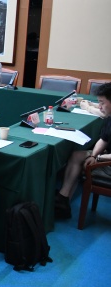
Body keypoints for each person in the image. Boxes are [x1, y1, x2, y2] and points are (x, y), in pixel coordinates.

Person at [56, 82, 111, 219]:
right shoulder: (110, 117)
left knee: (81, 162)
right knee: (77, 156)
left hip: (108, 164)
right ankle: (63, 199)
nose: (99, 107)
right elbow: (104, 139)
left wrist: (98, 158)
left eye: (102, 103)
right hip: (106, 156)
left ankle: (62, 200)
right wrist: (93, 155)